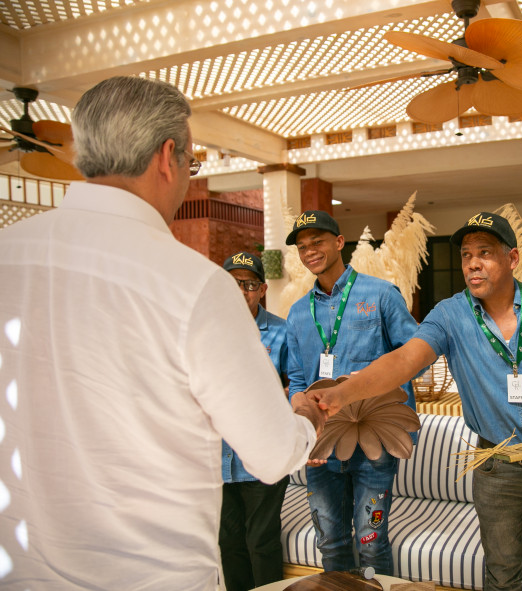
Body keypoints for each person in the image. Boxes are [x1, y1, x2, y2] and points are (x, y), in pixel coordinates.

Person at [0, 76, 325, 590]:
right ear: (167, 157)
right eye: (192, 165)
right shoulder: (194, 285)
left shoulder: (8, 254)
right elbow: (271, 454)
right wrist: (306, 416)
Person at [308, 212, 522, 591]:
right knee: (502, 580)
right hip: (498, 466)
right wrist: (342, 393)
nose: (472, 264)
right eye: (466, 255)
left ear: (512, 259)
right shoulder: (449, 316)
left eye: (485, 253)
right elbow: (403, 360)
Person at [285, 210, 419, 575]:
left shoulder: (381, 295)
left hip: (374, 442)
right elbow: (297, 382)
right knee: (330, 542)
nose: (310, 251)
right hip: (323, 444)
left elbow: (414, 357)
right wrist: (304, 429)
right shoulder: (298, 314)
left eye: (317, 242)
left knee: (371, 540)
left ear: (339, 242)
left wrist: (372, 381)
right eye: (302, 247)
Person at [219, 252, 291, 590]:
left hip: (263, 458)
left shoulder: (281, 332)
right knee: (228, 544)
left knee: (261, 543)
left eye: (248, 284)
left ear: (262, 289)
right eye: (233, 283)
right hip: (218, 459)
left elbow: (297, 387)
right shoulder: (206, 329)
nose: (241, 291)